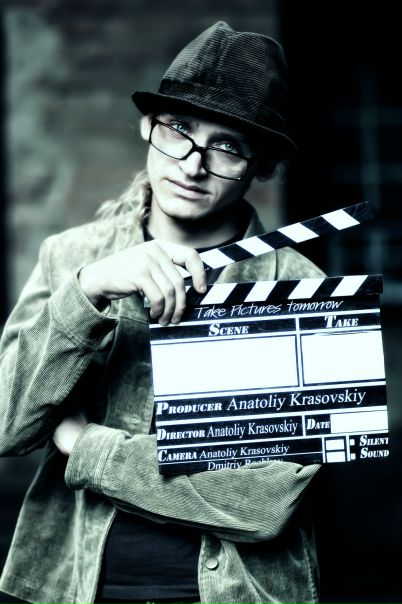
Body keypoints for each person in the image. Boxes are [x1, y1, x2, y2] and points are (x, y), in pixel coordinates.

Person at [0, 21, 324, 604]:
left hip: (237, 592)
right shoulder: (71, 259)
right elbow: (7, 426)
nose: (193, 165)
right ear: (149, 127)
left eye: (227, 146)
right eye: (179, 130)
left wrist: (84, 443)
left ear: (261, 165)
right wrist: (89, 292)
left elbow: (262, 504)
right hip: (75, 586)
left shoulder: (301, 288)